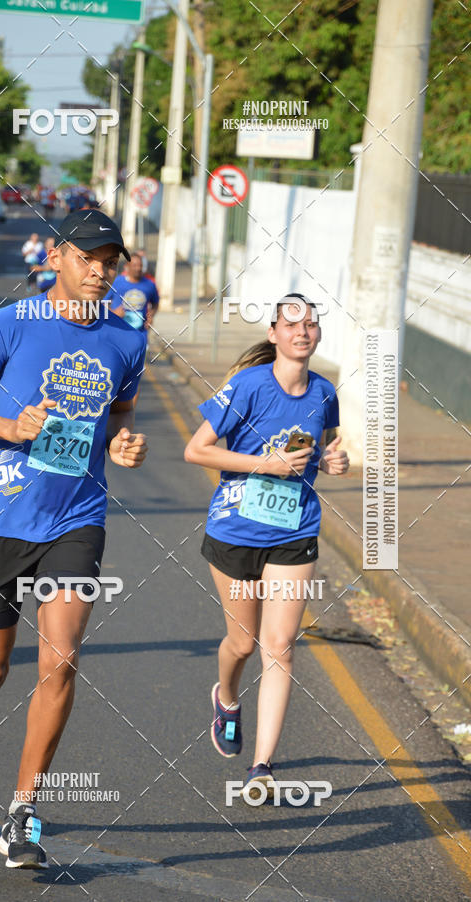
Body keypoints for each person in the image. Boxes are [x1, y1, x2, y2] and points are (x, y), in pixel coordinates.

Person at [0, 209, 148, 868]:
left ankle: (24, 813)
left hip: (77, 519)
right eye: (88, 258)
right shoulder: (5, 325)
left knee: (61, 661)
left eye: (110, 260)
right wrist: (9, 428)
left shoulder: (128, 337)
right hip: (4, 518)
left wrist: (125, 442)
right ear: (57, 257)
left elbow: (120, 412)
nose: (100, 270)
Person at [184, 294, 349, 801]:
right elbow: (196, 450)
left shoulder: (324, 393)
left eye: (311, 324)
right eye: (291, 324)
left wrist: (332, 462)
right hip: (236, 532)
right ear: (274, 333)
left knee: (280, 647)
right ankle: (227, 699)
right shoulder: (249, 386)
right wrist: (267, 466)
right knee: (243, 644)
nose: (303, 332)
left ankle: (261, 768)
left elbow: (327, 447)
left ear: (317, 335)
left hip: (294, 531)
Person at [105, 251, 159, 331]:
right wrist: (113, 313)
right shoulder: (116, 282)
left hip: (140, 332)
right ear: (127, 266)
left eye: (140, 265)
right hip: (118, 329)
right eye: (135, 265)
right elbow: (102, 303)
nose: (138, 268)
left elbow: (155, 303)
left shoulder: (149, 284)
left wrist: (150, 316)